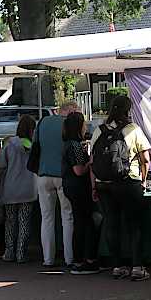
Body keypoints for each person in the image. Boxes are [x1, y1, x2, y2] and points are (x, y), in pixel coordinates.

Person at [91, 95, 151, 281]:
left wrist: (94, 186)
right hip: (128, 182)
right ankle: (137, 266)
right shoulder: (132, 129)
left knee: (112, 223)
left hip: (104, 185)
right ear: (128, 110)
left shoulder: (99, 130)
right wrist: (143, 180)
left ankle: (117, 266)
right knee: (134, 224)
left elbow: (93, 161)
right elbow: (146, 159)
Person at [33, 101, 77, 267]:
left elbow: (36, 146)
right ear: (70, 111)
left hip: (43, 174)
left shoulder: (43, 122)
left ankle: (48, 258)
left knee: (47, 218)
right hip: (62, 175)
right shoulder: (69, 125)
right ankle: (69, 258)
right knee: (67, 216)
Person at [62, 111, 99, 275]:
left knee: (79, 223)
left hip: (69, 186)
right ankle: (86, 260)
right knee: (85, 223)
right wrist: (90, 162)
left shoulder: (68, 143)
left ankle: (78, 260)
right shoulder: (75, 145)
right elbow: (78, 170)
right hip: (78, 188)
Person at [0, 115, 37, 264]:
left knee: (10, 222)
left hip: (10, 188)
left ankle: (9, 252)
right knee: (24, 221)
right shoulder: (34, 145)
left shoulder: (10, 144)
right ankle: (21, 253)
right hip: (29, 188)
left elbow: (1, 166)